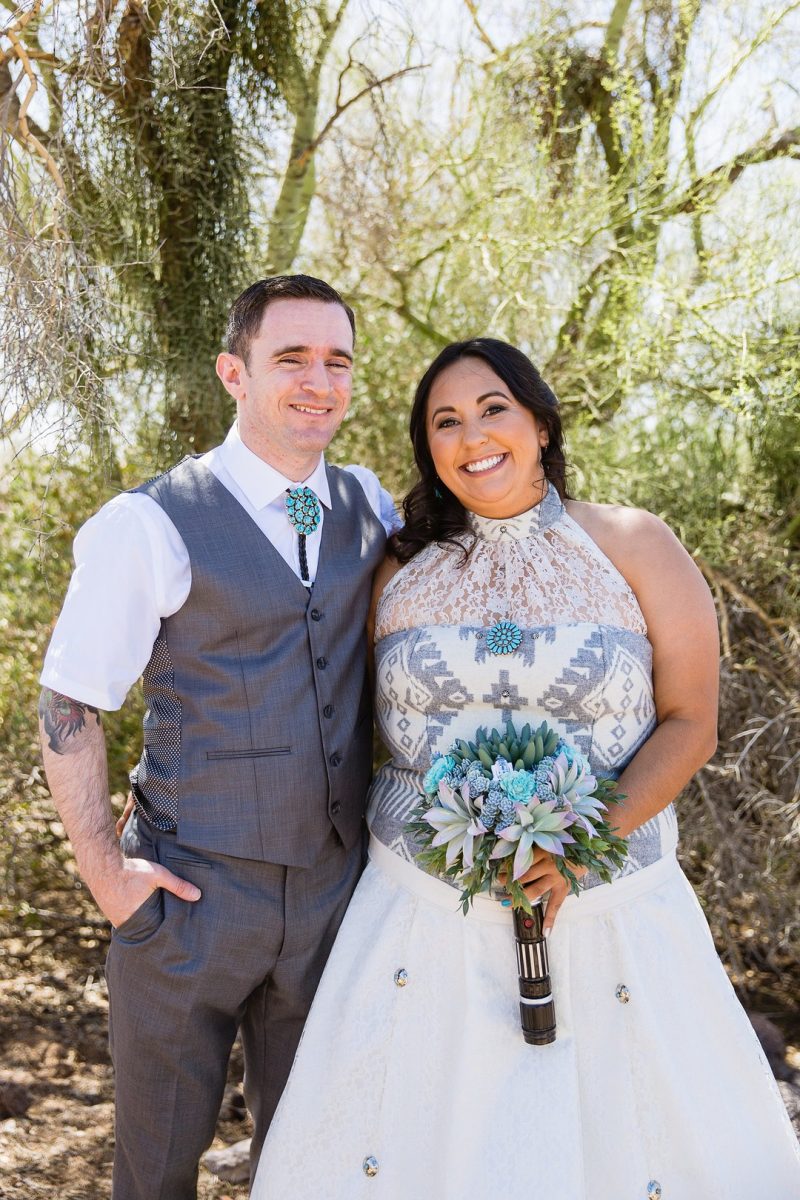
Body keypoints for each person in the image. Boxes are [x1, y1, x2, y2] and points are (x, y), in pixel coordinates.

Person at [251, 338, 800, 1199]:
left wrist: (580, 846)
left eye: (492, 408)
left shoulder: (635, 543)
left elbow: (692, 721)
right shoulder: (398, 566)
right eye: (446, 421)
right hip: (418, 913)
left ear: (540, 423)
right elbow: (356, 726)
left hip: (611, 905)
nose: (473, 434)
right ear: (428, 448)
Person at [38, 275, 399, 1200]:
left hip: (334, 900)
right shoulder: (149, 523)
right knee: (157, 1168)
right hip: (189, 898)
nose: (319, 380)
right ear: (233, 373)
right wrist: (108, 879)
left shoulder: (372, 507)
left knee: (316, 1163)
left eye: (337, 361)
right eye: (292, 359)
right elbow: (71, 704)